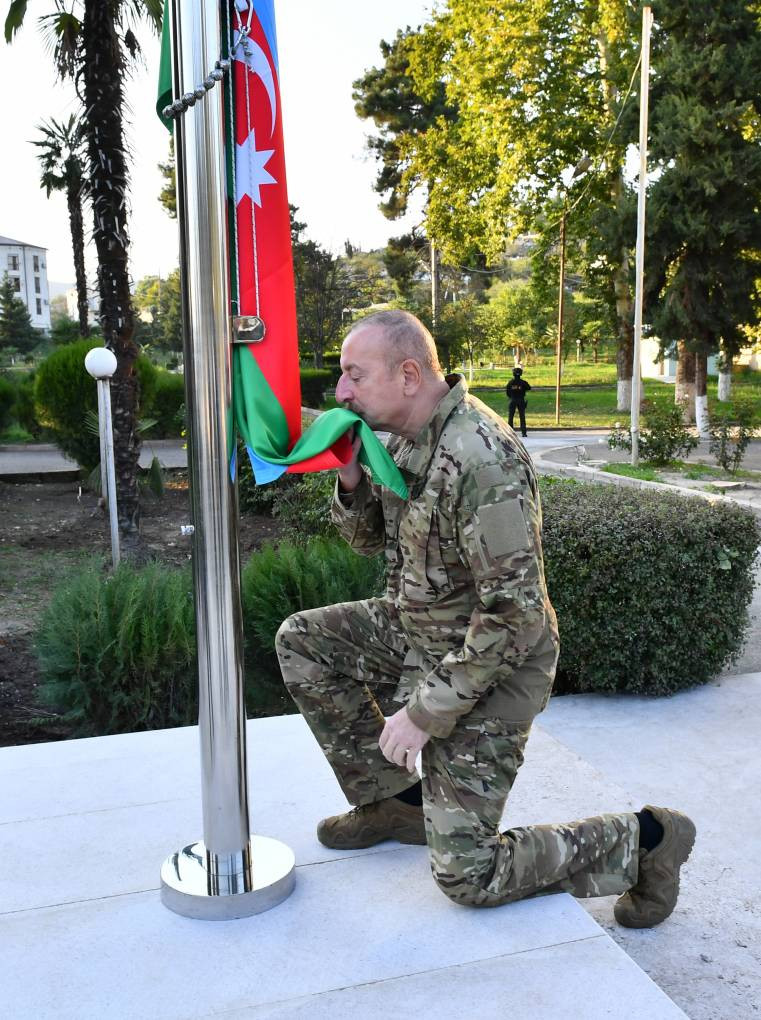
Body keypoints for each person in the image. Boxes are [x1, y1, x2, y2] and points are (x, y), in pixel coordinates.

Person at [276, 309, 695, 923]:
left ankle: (647, 841)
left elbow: (515, 616)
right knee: (303, 640)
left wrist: (423, 713)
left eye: (354, 376)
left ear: (409, 375)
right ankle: (397, 804)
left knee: (468, 875)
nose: (341, 392)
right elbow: (369, 542)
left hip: (494, 668)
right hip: (419, 630)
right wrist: (348, 477)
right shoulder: (402, 438)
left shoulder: (482, 458)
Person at [506, 366, 531, 437]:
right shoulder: (523, 382)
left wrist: (511, 396)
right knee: (522, 416)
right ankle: (524, 433)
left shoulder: (510, 382)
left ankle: (510, 433)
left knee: (511, 417)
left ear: (513, 374)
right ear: (521, 374)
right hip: (521, 400)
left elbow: (507, 392)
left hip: (513, 400)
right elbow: (529, 388)